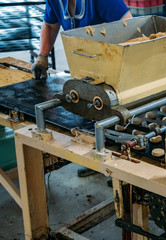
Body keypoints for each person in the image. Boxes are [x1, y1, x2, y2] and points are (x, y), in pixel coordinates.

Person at [31, 0, 132, 177]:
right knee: (90, 112)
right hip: (84, 67)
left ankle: (121, 171)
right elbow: (50, 25)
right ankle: (98, 160)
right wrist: (42, 56)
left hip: (114, 65)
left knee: (117, 117)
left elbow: (129, 25)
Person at [31, 0, 132, 79]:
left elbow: (129, 29)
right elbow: (50, 26)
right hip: (81, 66)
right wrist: (42, 56)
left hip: (110, 67)